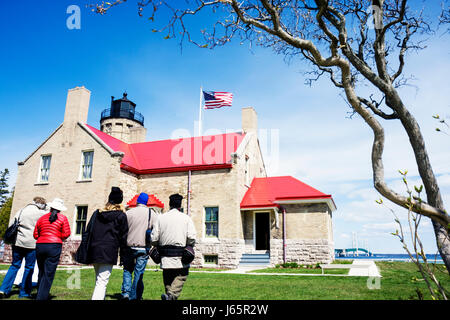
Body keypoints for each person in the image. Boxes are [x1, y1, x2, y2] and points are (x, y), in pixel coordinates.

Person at [151, 193, 196, 300]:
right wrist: (189, 245)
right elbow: (192, 237)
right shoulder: (186, 218)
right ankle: (171, 295)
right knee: (181, 276)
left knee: (168, 279)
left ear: (169, 204)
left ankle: (168, 296)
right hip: (181, 256)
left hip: (165, 256)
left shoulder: (161, 218)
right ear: (180, 205)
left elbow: (154, 238)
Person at [0, 197, 47, 299]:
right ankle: (24, 292)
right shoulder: (41, 214)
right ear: (42, 205)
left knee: (14, 266)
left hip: (18, 242)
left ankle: (3, 289)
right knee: (29, 268)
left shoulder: (21, 210)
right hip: (32, 244)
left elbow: (12, 224)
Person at [88, 186, 128, 300]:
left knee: (99, 280)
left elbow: (89, 231)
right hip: (108, 251)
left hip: (95, 249)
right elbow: (123, 238)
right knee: (102, 281)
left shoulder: (97, 213)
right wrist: (123, 256)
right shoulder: (121, 216)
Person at [121, 192, 159, 300]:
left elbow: (123, 230)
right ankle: (135, 295)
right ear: (146, 202)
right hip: (143, 247)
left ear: (137, 201)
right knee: (139, 272)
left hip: (129, 246)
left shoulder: (129, 213)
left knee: (127, 270)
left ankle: (126, 293)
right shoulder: (152, 214)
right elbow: (156, 231)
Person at [33, 198, 71, 300]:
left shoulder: (42, 218)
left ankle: (39, 293)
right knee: (49, 273)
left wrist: (43, 237)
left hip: (40, 245)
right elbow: (66, 233)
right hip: (54, 245)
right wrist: (59, 237)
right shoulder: (63, 218)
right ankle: (41, 297)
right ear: (60, 209)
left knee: (41, 271)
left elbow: (35, 234)